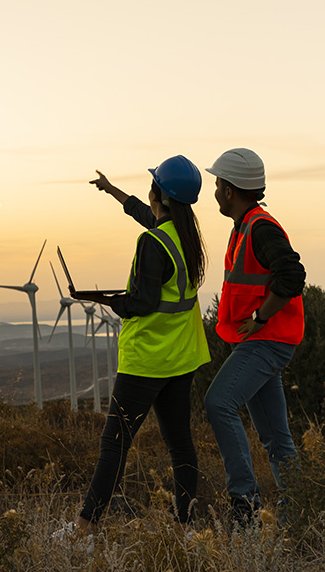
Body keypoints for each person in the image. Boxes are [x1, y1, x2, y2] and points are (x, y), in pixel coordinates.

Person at [63, 155, 211, 537]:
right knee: (180, 445)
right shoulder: (185, 236)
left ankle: (84, 530)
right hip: (182, 357)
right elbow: (146, 216)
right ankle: (185, 530)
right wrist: (113, 191)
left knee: (114, 445)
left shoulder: (152, 242)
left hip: (147, 360)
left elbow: (141, 303)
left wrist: (105, 299)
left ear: (157, 193)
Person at [202, 148, 306, 525]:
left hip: (269, 341)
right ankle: (299, 512)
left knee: (219, 403)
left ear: (230, 190)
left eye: (217, 184)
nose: (214, 190)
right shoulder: (247, 225)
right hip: (264, 340)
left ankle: (243, 504)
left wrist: (261, 317)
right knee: (276, 438)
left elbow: (292, 276)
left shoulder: (260, 228)